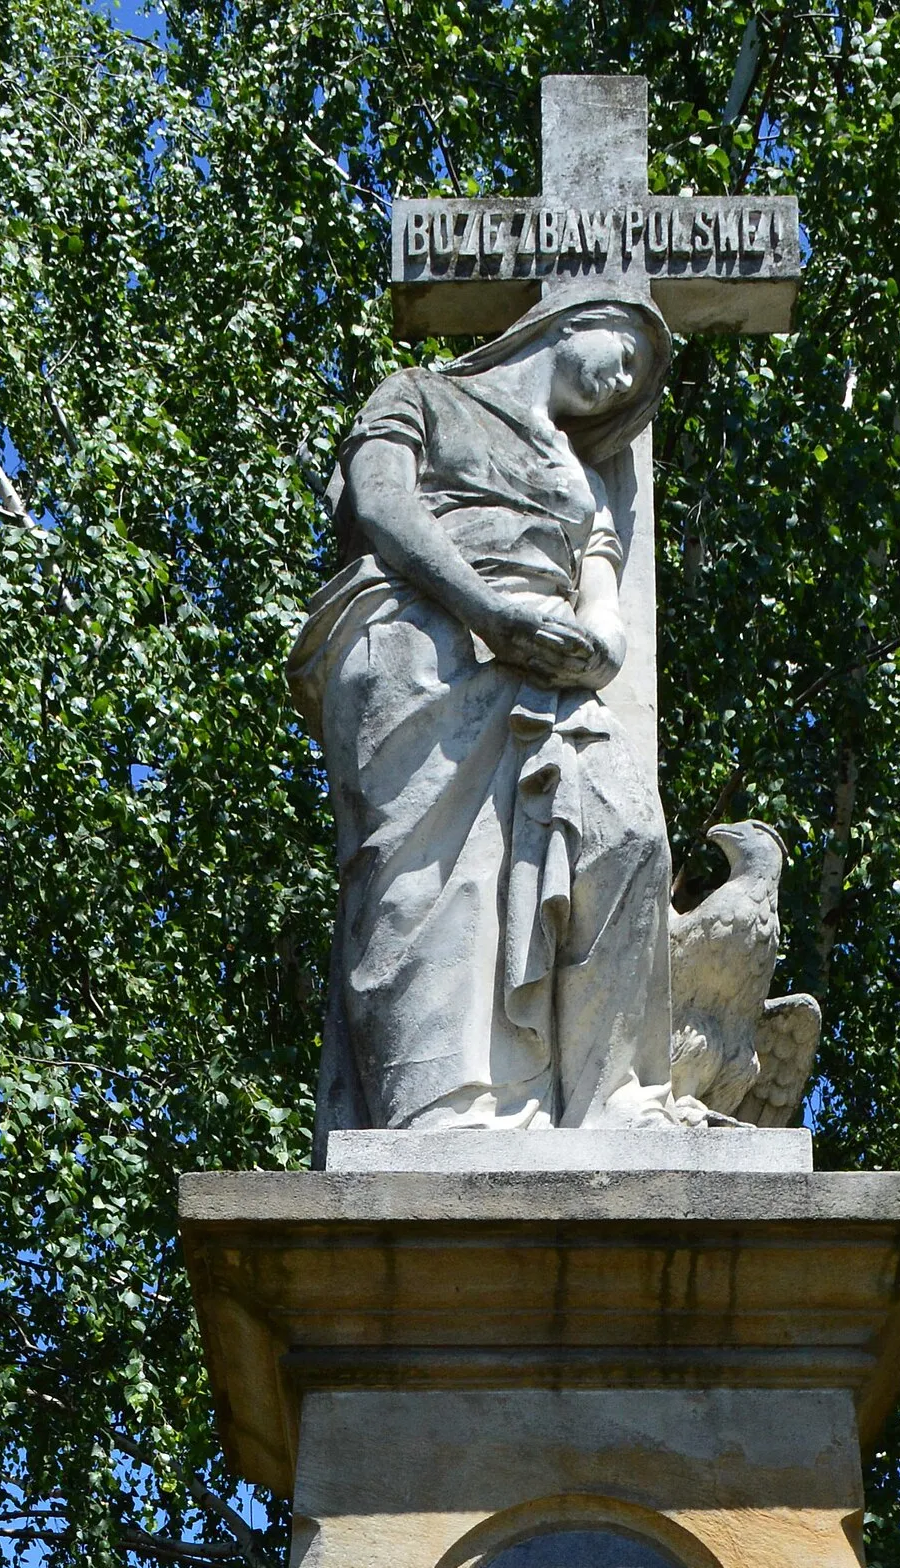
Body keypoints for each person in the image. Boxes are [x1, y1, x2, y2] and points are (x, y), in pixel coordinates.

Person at [289, 290, 702, 1140]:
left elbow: (602, 598)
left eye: (638, 379)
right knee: (444, 872)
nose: (624, 379)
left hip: (546, 674)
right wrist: (489, 612)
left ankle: (612, 1094)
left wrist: (595, 648)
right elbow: (382, 506)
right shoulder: (421, 394)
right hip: (422, 638)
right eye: (620, 349)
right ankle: (443, 1107)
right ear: (562, 324)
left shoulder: (581, 479)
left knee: (626, 829)